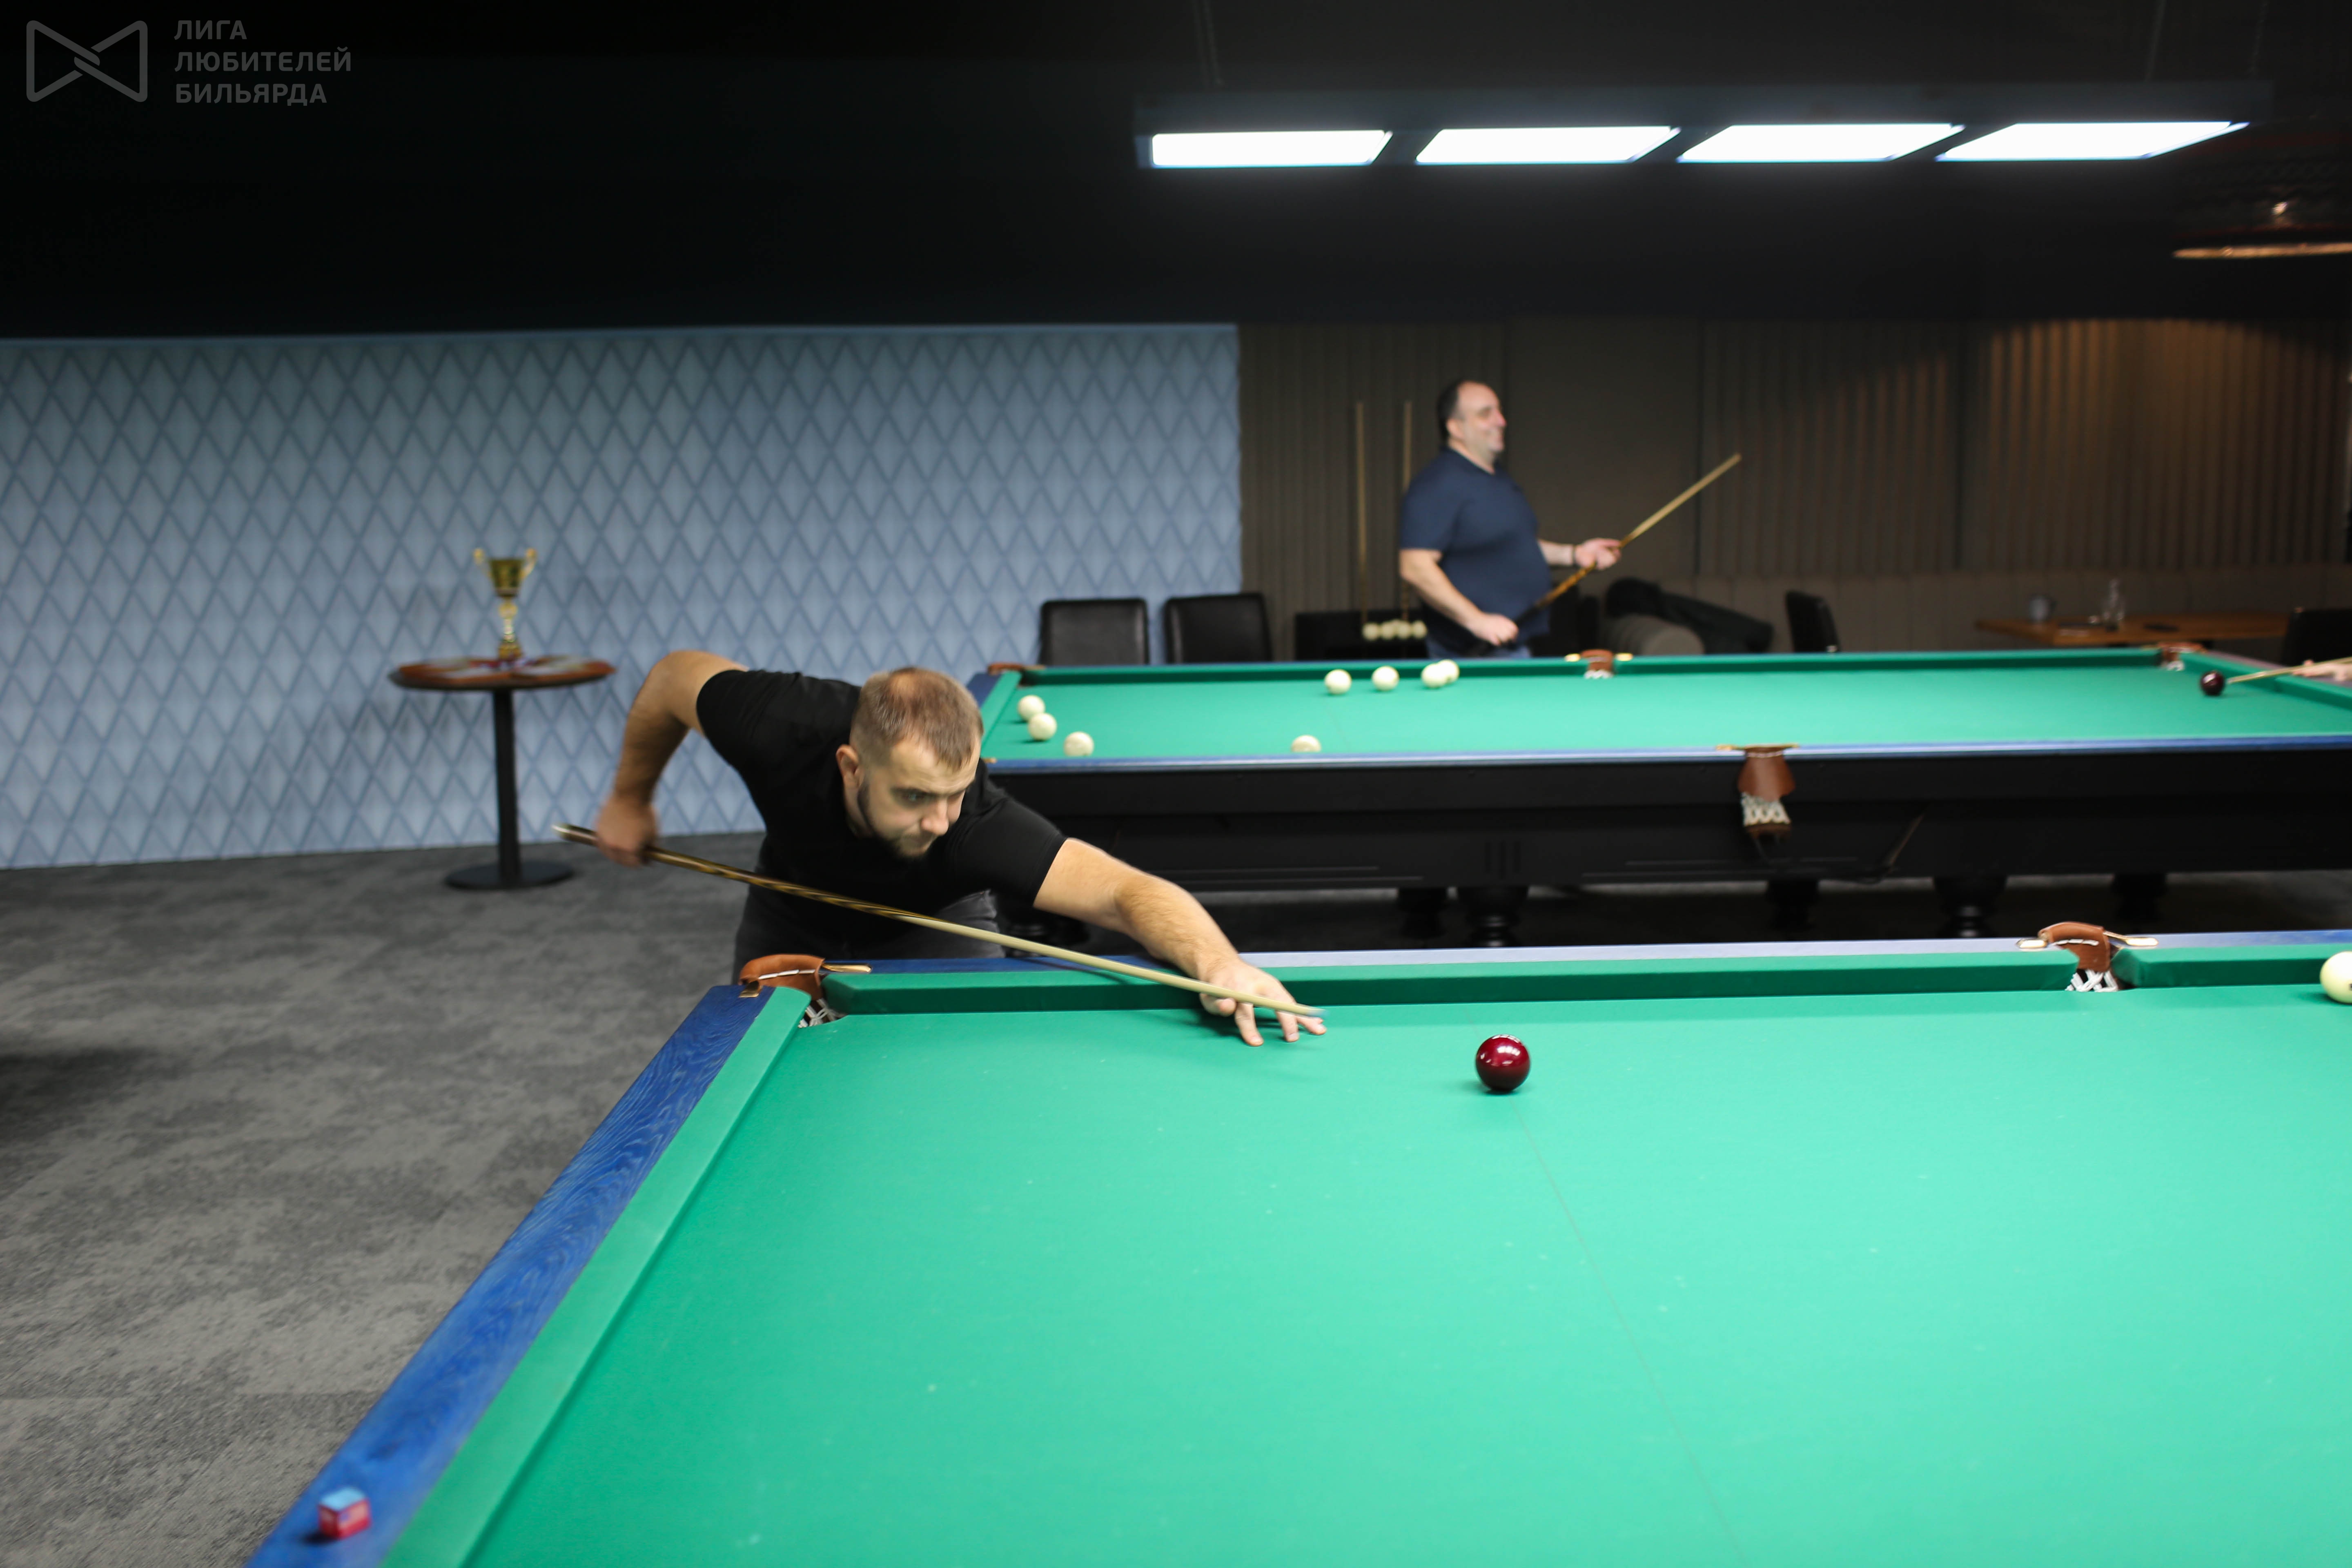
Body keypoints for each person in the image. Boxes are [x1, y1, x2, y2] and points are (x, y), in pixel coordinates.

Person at [592, 654, 1320, 1045]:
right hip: (792, 908)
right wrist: (630, 796)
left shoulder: (974, 827)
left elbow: (1129, 893)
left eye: (956, 792)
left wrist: (1219, 961)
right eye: (915, 796)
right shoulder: (777, 724)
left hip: (936, 919)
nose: (941, 821)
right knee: (761, 1058)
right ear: (851, 767)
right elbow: (671, 680)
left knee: (963, 1064)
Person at [1397, 378, 1623, 658]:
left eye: (1499, 411)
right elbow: (1415, 567)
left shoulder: (1496, 478)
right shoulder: (1438, 484)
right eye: (1486, 414)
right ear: (1455, 428)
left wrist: (1575, 554)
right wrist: (1477, 621)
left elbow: (1514, 548)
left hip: (1513, 643)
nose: (1501, 421)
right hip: (1474, 652)